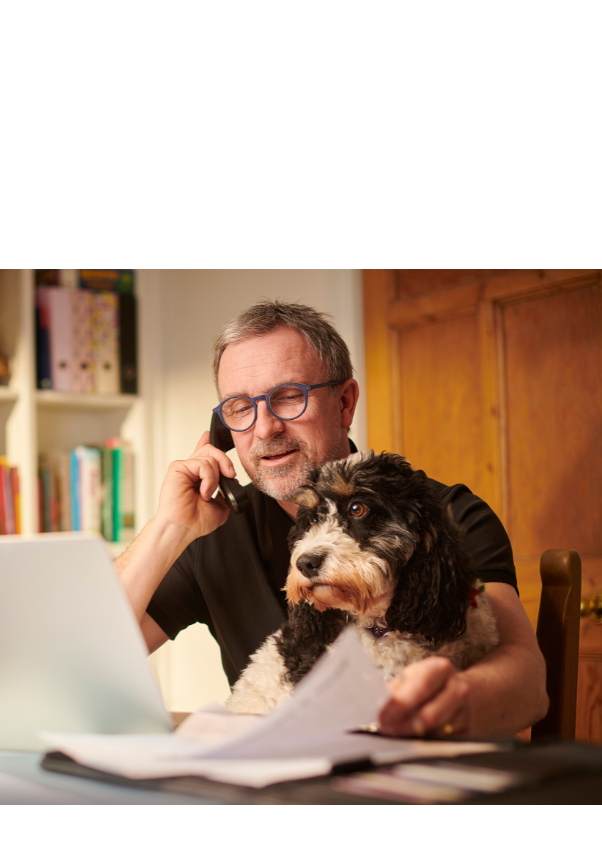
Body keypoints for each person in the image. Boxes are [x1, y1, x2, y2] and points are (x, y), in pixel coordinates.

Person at [115, 301, 547, 738]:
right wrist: (168, 528)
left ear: (344, 403)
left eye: (288, 397)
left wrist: (443, 704)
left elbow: (528, 684)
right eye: (240, 407)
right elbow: (79, 653)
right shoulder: (213, 529)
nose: (264, 430)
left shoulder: (443, 516)